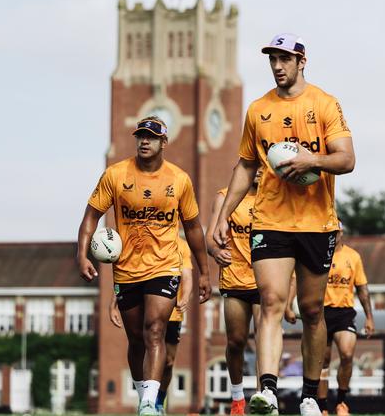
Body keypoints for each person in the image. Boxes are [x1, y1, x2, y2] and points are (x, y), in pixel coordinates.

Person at [213, 33, 355, 416]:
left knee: (311, 311)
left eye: (285, 59)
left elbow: (347, 159)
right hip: (271, 220)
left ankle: (310, 395)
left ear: (301, 61)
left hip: (315, 223)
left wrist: (313, 161)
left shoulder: (325, 104)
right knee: (272, 302)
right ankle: (269, 392)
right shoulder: (258, 110)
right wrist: (224, 216)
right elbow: (245, 166)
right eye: (272, 59)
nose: (278, 66)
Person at [76, 116, 212, 416]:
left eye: (151, 137)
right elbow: (91, 216)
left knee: (154, 331)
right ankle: (143, 396)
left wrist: (204, 272)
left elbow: (193, 229)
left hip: (164, 266)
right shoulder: (115, 175)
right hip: (126, 270)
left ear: (164, 142)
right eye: (140, 136)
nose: (144, 141)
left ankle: (150, 403)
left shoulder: (179, 180)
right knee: (136, 338)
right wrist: (82, 254)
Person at [109, 237, 193, 414]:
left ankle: (159, 401)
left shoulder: (181, 245)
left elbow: (186, 274)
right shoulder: (142, 238)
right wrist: (114, 300)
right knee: (144, 343)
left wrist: (185, 296)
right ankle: (147, 400)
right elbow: (128, 274)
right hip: (149, 306)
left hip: (173, 310)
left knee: (169, 362)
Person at [205, 170, 262, 415]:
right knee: (236, 342)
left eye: (264, 165)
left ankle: (265, 396)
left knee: (265, 340)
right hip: (234, 279)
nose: (260, 170)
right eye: (255, 165)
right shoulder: (224, 197)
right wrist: (216, 253)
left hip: (265, 279)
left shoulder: (276, 198)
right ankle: (238, 399)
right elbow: (210, 238)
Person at [316, 225, 374, 416]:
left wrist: (369, 318)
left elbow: (362, 289)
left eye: (337, 231)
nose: (334, 234)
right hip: (322, 313)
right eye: (330, 231)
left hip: (344, 313)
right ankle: (322, 406)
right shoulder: (317, 253)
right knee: (322, 361)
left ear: (341, 233)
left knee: (347, 354)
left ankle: (341, 402)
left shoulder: (353, 256)